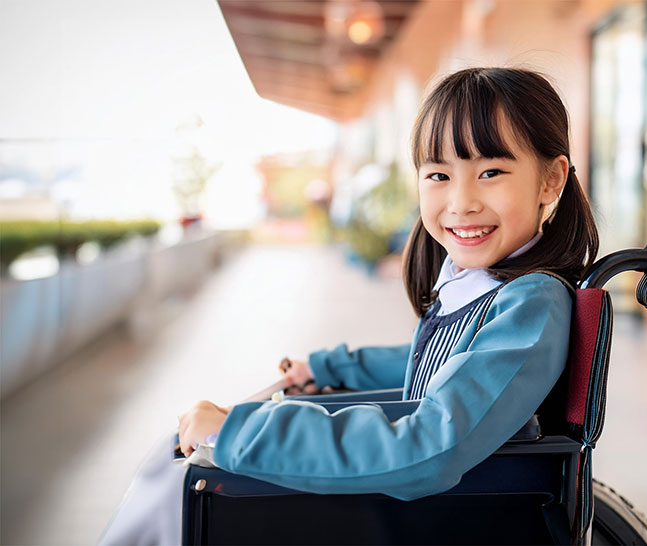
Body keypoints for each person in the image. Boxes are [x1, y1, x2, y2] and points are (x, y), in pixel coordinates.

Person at [99, 66, 598, 544]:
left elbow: (429, 446)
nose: (460, 202)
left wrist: (243, 430)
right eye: (439, 175)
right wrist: (330, 367)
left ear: (551, 181)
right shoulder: (481, 284)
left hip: (451, 513)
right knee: (172, 464)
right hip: (440, 502)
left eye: (490, 172)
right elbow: (431, 366)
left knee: (178, 480)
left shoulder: (531, 303)